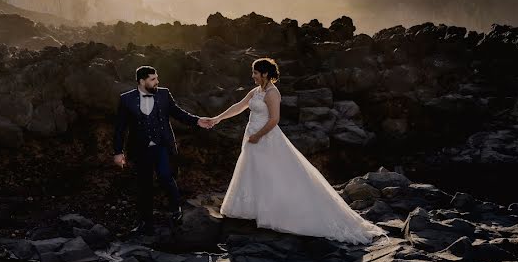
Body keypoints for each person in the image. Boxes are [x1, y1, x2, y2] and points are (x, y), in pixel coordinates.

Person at [205, 58, 385, 244]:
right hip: (251, 136)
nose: (253, 76)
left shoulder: (273, 93)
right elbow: (239, 107)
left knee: (272, 174)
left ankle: (276, 212)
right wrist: (217, 118)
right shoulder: (256, 91)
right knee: (254, 172)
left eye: (255, 73)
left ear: (265, 74)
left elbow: (274, 119)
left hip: (265, 138)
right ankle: (252, 209)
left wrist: (258, 136)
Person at [113, 65, 213, 234]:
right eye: (153, 79)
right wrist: (118, 152)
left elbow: (178, 113)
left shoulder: (164, 94)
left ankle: (176, 210)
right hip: (140, 149)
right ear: (142, 81)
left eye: (157, 78)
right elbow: (120, 129)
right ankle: (146, 223)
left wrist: (197, 121)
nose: (157, 81)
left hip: (162, 146)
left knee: (166, 177)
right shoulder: (126, 99)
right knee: (144, 186)